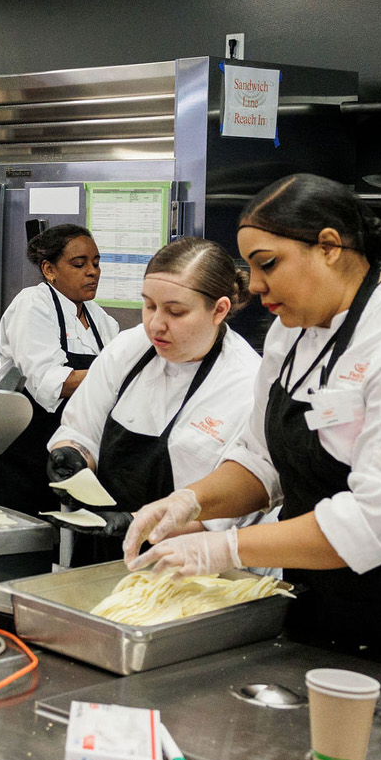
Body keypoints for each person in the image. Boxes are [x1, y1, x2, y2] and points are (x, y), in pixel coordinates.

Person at [126, 174, 381, 662]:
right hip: (314, 598)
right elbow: (260, 459)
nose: (255, 286)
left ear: (329, 247)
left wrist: (225, 550)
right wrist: (191, 502)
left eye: (267, 265)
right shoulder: (289, 332)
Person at [44, 238, 262, 566]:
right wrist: (73, 455)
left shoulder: (247, 383)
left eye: (175, 311)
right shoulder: (128, 350)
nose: (156, 324)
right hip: (104, 551)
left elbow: (236, 509)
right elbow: (83, 427)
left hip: (193, 565)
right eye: (149, 306)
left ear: (219, 310)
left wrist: (138, 524)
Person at [0, 224, 120, 517]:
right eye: (79, 264)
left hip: (71, 457)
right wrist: (118, 374)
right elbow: (55, 384)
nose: (92, 272)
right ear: (49, 269)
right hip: (21, 458)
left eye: (96, 263)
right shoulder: (33, 304)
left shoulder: (101, 319)